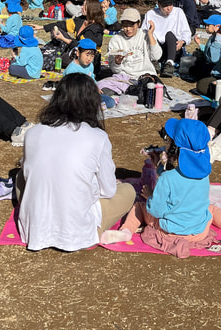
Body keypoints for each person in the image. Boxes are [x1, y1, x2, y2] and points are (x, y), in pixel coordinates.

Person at [100, 118, 221, 254]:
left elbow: (156, 210)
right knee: (211, 209)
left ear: (175, 148)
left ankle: (126, 232)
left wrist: (150, 197)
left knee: (139, 207)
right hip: (199, 231)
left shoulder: (167, 178)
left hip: (169, 231)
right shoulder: (204, 175)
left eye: (169, 140)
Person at [16, 73, 136, 251]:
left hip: (35, 229)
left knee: (19, 177)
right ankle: (97, 228)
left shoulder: (33, 132)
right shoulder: (97, 137)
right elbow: (108, 190)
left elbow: (29, 174)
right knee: (128, 190)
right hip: (77, 230)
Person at [98, 8, 162, 94]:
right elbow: (115, 70)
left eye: (131, 25)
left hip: (145, 75)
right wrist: (117, 62)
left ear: (138, 24)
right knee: (101, 87)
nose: (128, 29)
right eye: (125, 26)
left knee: (150, 91)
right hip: (125, 78)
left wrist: (150, 35)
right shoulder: (116, 40)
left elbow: (156, 56)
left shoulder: (145, 35)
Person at [142, 0, 192, 78]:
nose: (169, 8)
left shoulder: (178, 12)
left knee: (169, 35)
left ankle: (169, 64)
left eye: (171, 5)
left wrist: (183, 41)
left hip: (173, 47)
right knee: (150, 34)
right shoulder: (151, 14)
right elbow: (143, 33)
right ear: (159, 5)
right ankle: (154, 61)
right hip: (156, 49)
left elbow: (186, 32)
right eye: (165, 6)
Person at [49, 0, 105, 71]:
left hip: (87, 57)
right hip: (77, 50)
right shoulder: (81, 20)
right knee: (57, 28)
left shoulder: (95, 28)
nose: (81, 7)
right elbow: (64, 24)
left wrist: (64, 39)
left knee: (60, 58)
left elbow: (85, 46)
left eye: (84, 6)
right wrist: (41, 27)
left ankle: (60, 55)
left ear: (91, 9)